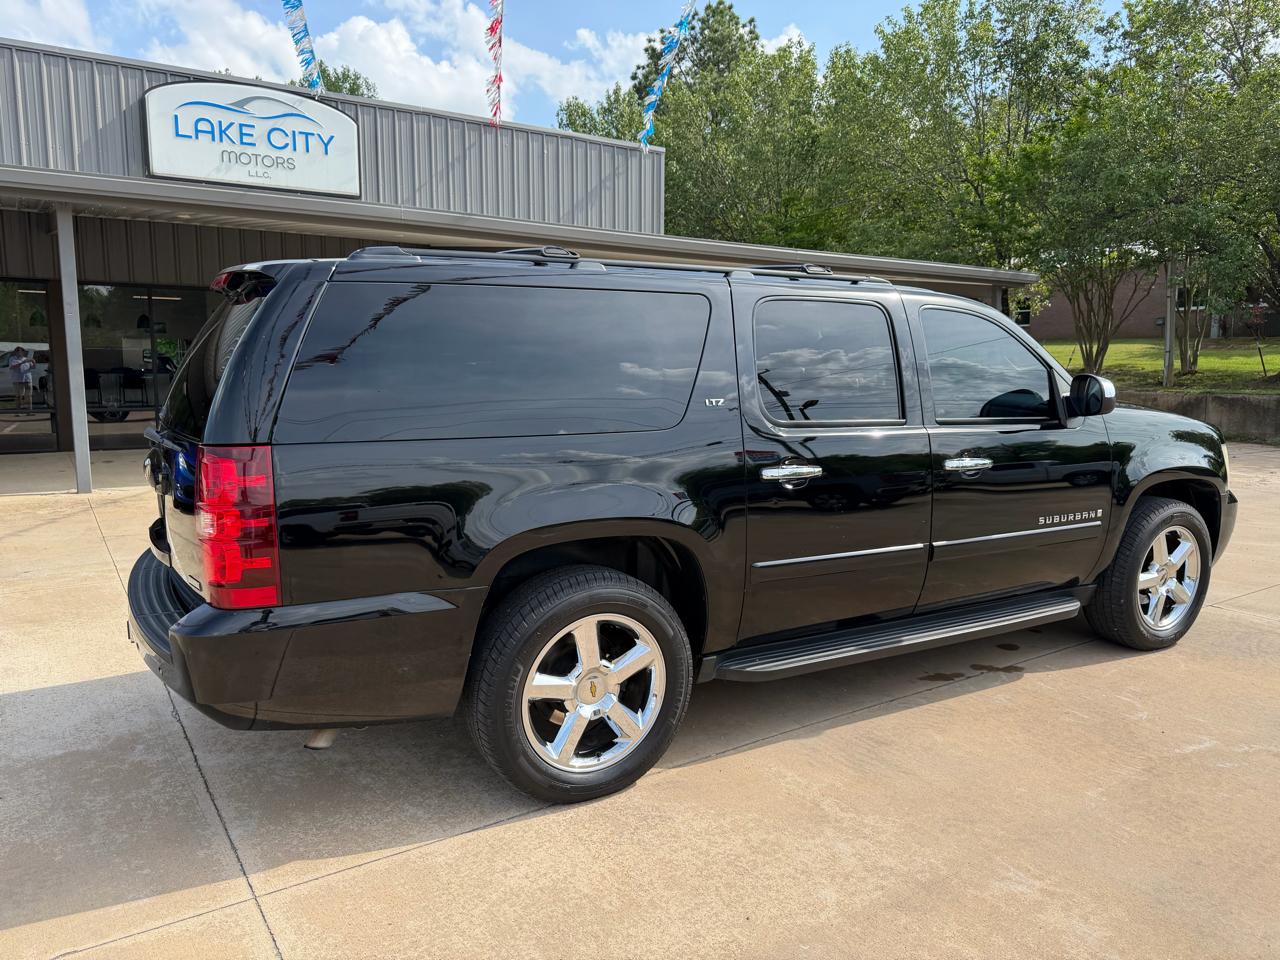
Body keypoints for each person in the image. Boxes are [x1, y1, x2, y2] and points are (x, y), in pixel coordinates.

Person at [8, 346, 34, 412]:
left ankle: (29, 411)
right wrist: (22, 362)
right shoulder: (12, 359)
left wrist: (34, 361)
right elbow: (12, 367)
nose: (21, 352)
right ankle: (18, 411)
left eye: (22, 351)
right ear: (16, 352)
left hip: (27, 380)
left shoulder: (26, 359)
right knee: (18, 396)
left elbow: (33, 367)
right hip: (17, 381)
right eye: (19, 351)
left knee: (29, 396)